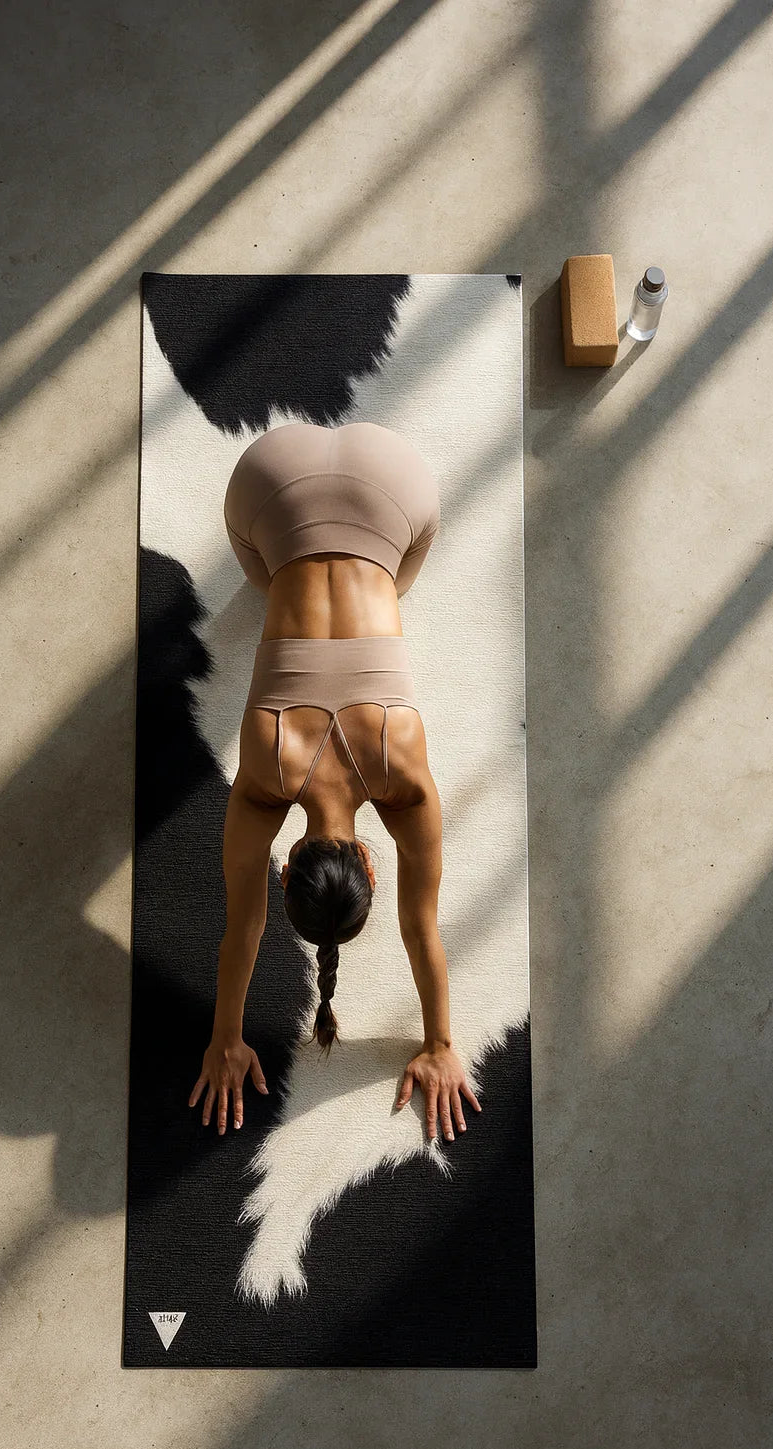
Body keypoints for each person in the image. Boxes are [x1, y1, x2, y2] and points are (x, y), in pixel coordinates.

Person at [188, 420, 482, 1143]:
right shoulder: (264, 769)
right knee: (268, 574)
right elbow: (242, 927)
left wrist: (443, 1044)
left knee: (390, 577)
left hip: (395, 475)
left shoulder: (404, 778)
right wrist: (225, 1038)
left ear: (371, 866)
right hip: (269, 475)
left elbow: (421, 927)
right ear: (288, 866)